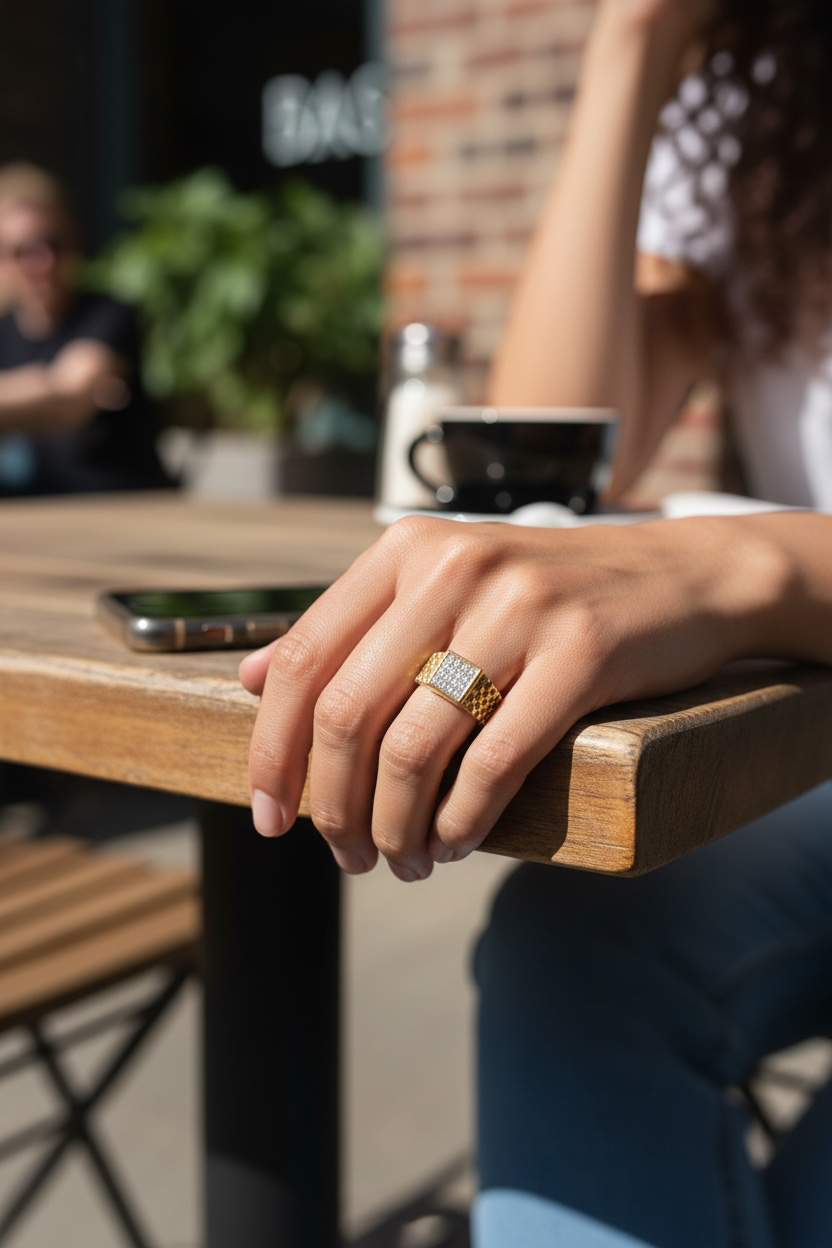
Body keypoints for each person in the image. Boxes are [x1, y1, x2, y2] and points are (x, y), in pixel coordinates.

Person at [239, 1, 832, 1244]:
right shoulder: (760, 101)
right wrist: (633, 43)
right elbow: (557, 450)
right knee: (575, 947)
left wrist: (742, 563)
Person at [0, 162, 173, 495]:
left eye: (53, 244)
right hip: (44, 509)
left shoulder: (108, 314)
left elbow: (71, 395)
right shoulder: (4, 333)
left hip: (127, 505)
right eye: (24, 251)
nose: (44, 261)